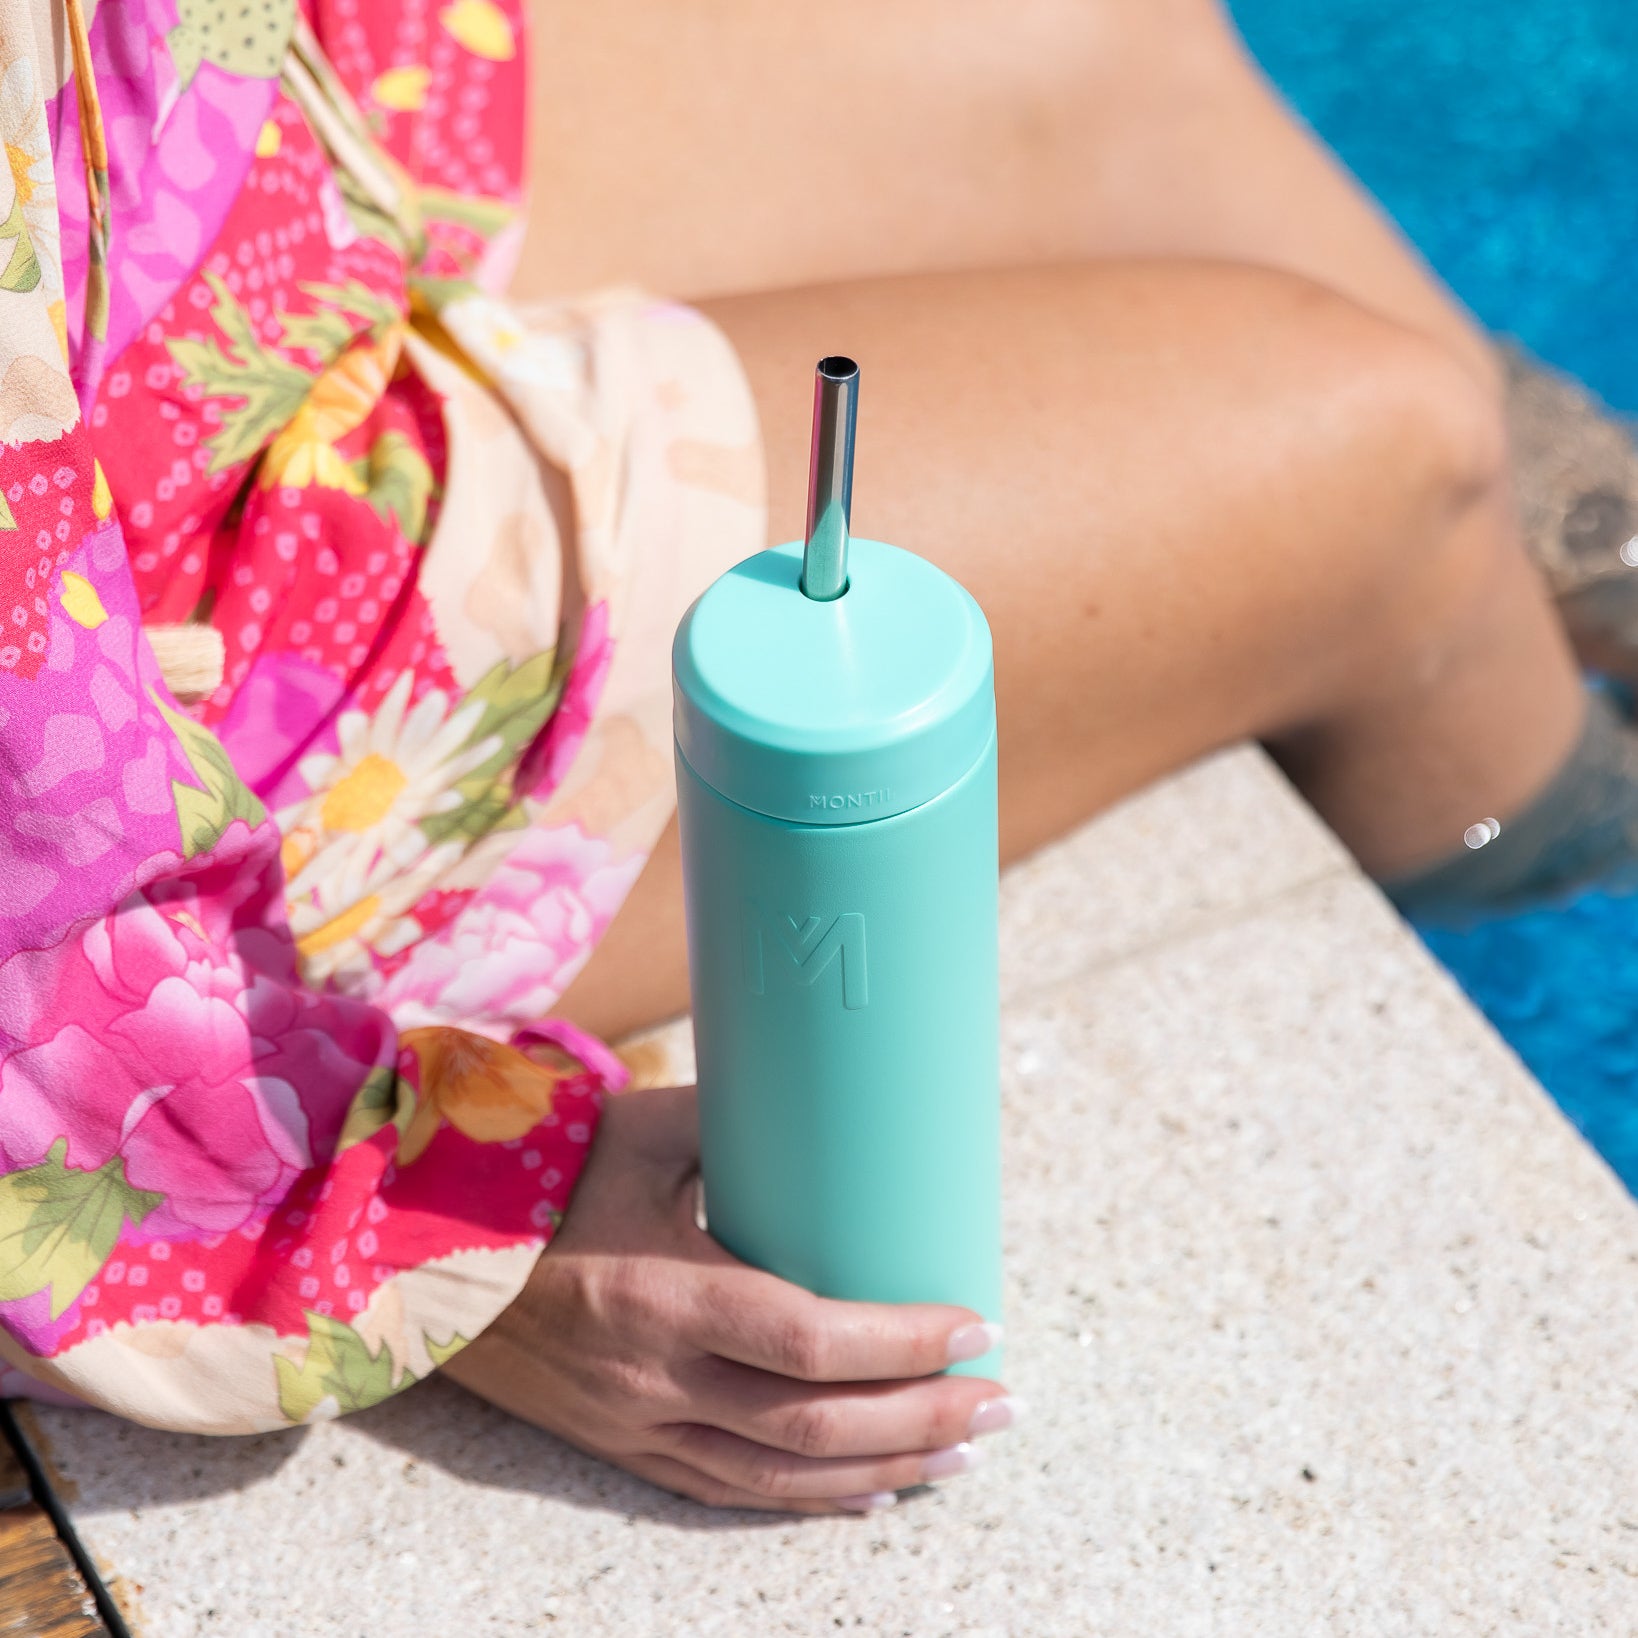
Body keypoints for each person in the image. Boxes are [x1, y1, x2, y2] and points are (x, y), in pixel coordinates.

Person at [0, 0, 1619, 1513]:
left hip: (185, 182)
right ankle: (1570, 848)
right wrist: (389, 1208)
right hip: (146, 695)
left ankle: (1592, 553)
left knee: (1076, 34)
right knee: (1401, 466)